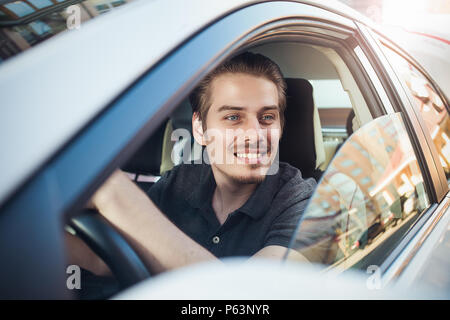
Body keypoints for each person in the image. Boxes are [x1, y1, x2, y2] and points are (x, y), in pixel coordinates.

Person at [66, 52, 316, 276]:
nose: (255, 135)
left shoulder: (305, 203)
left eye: (267, 118)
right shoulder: (178, 183)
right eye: (233, 117)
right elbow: (107, 260)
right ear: (199, 128)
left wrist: (113, 192)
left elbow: (250, 299)